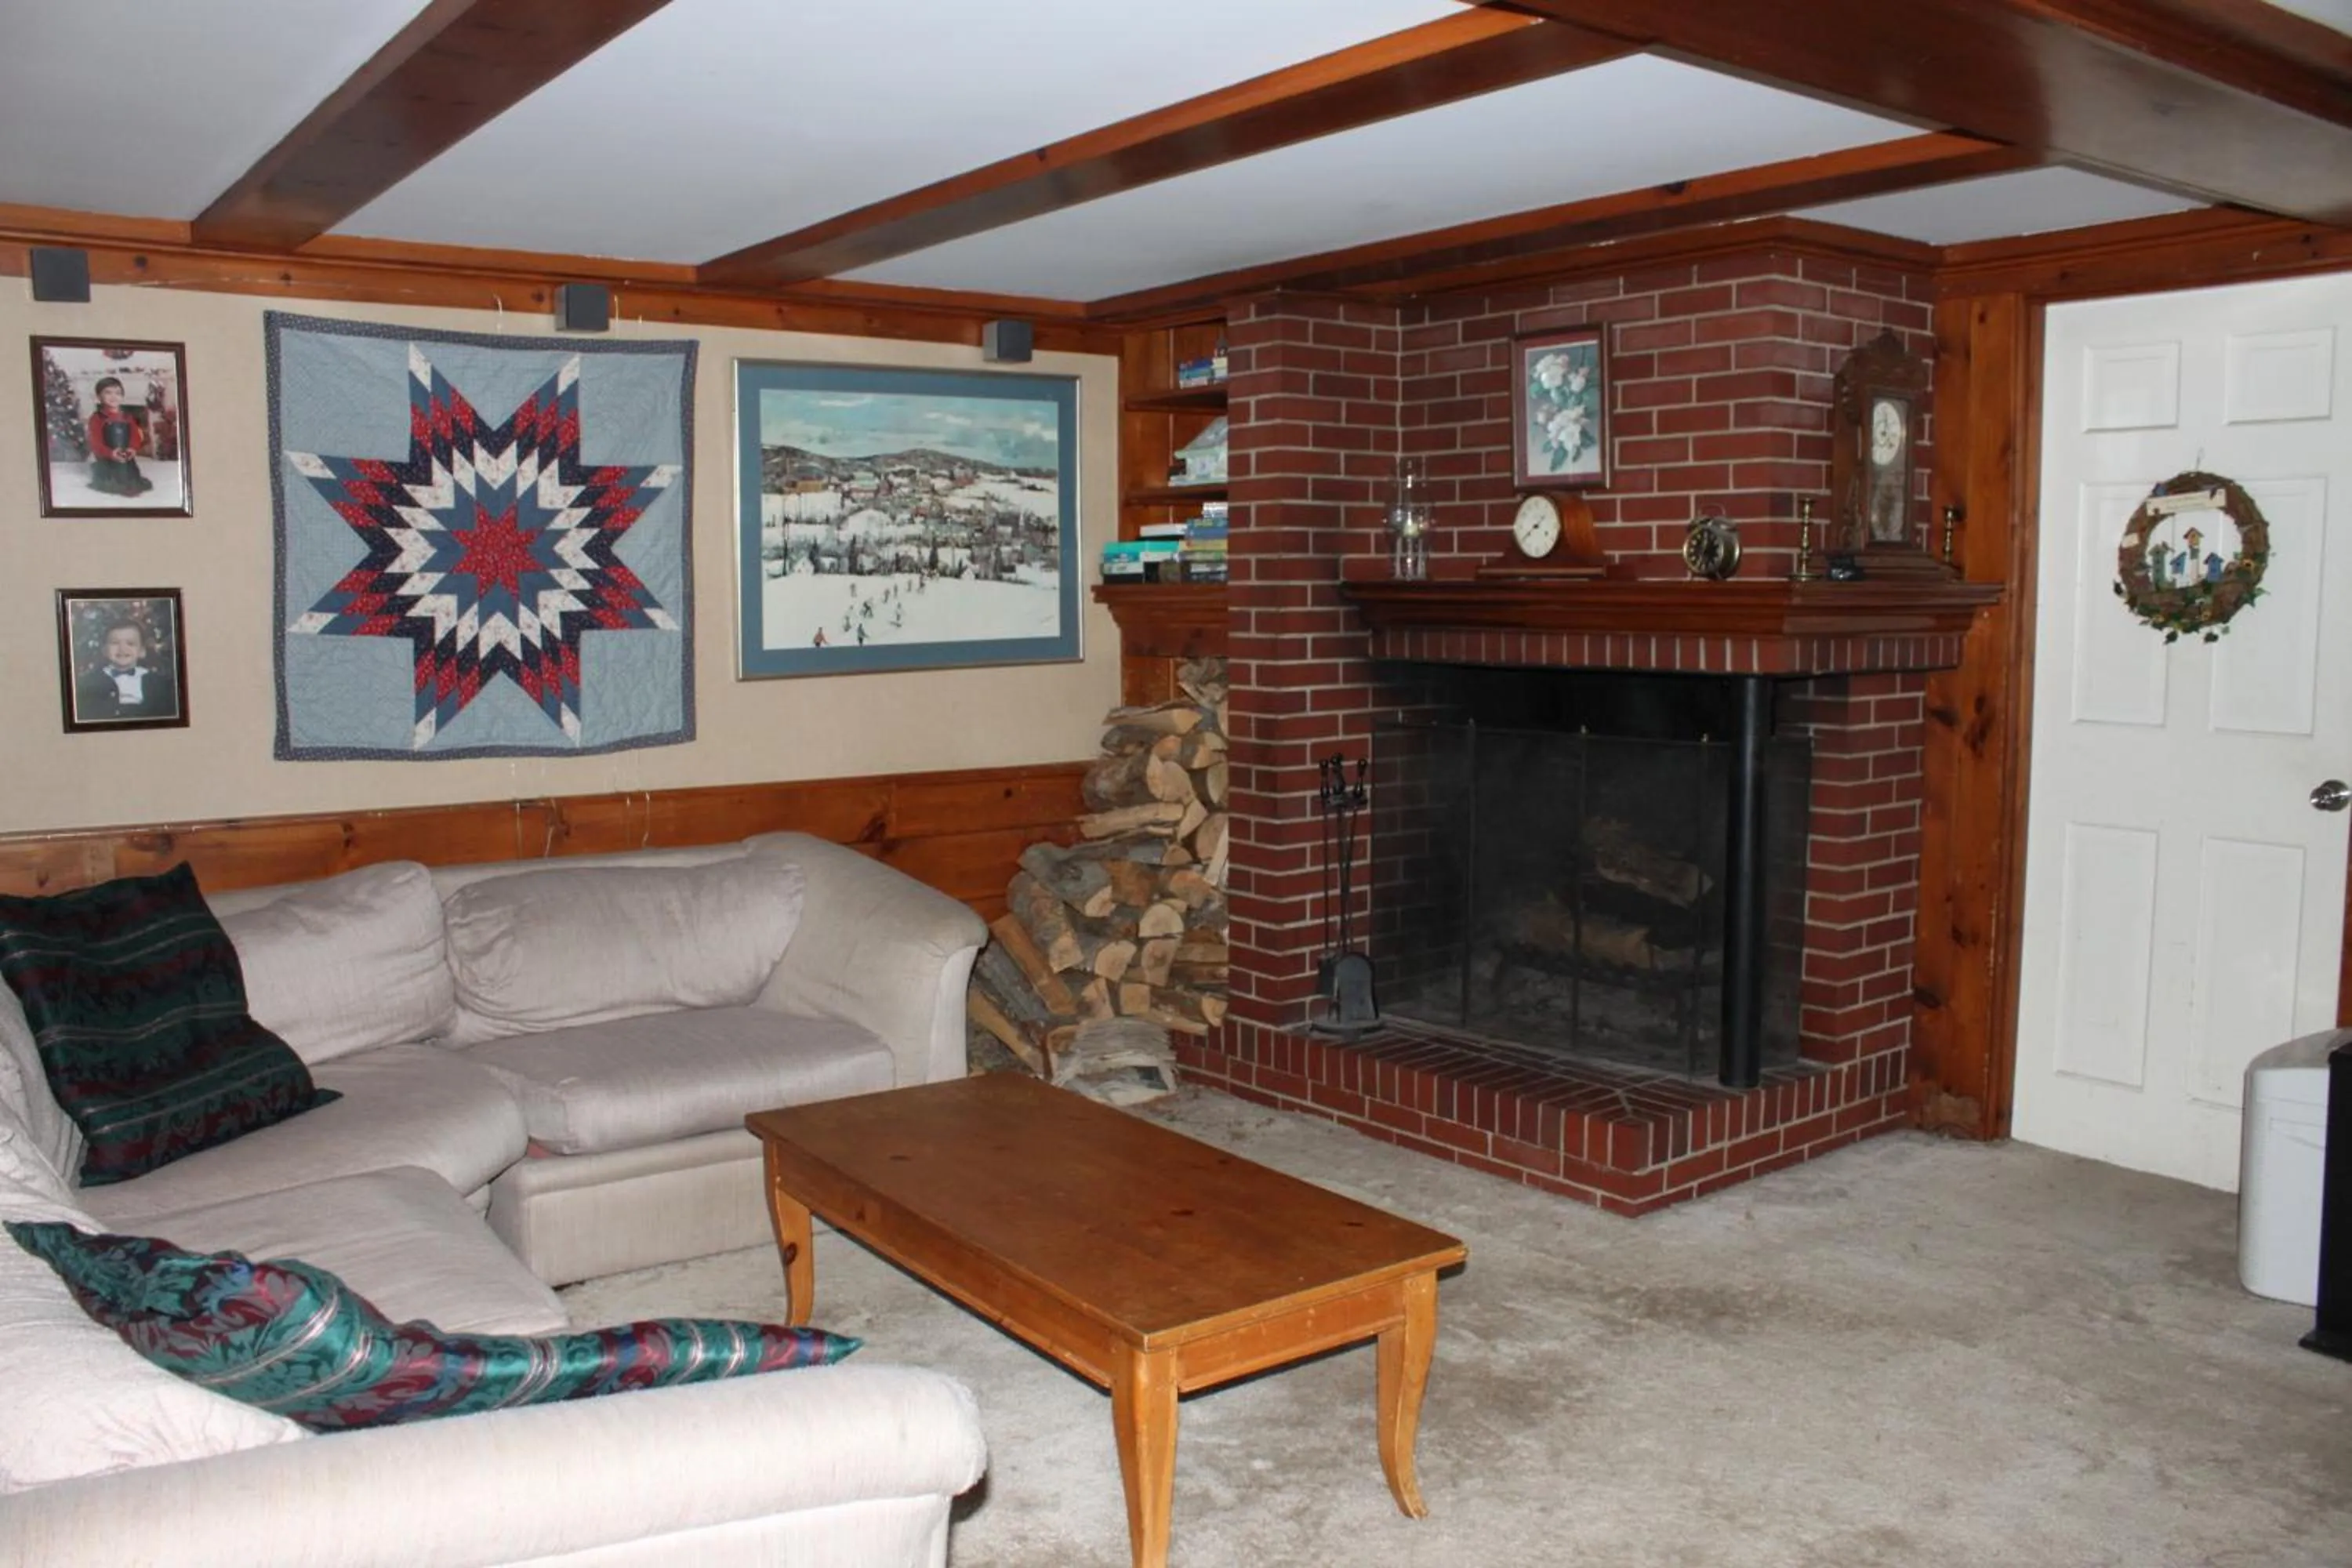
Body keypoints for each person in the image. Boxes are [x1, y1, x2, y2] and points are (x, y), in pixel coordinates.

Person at [75, 617, 177, 722]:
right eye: (115, 643)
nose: (122, 649)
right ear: (105, 650)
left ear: (142, 651)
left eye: (130, 643)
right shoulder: (90, 682)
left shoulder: (158, 683)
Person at [84, 378, 154, 497]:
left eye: (118, 393)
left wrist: (132, 449)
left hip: (126, 456)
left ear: (122, 396)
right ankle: (101, 471)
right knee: (112, 482)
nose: (114, 396)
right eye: (108, 392)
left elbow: (135, 436)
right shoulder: (97, 418)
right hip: (107, 458)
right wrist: (111, 453)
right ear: (99, 397)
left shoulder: (127, 417)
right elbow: (95, 443)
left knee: (132, 479)